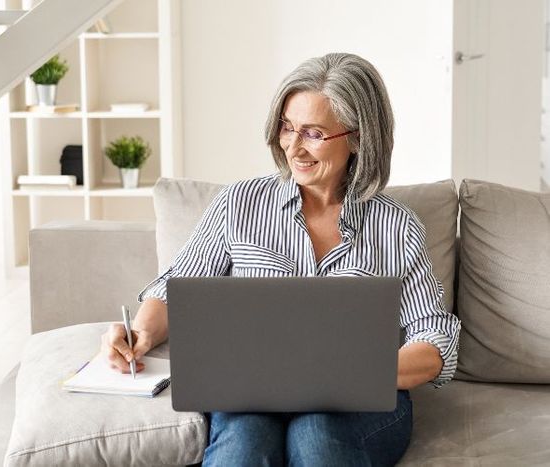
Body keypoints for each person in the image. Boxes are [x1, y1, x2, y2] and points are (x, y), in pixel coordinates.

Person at [100, 53, 461, 466]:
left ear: (359, 137)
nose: (293, 146)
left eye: (313, 133)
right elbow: (177, 286)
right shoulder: (240, 203)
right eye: (287, 127)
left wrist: (354, 375)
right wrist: (140, 333)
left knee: (317, 435)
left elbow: (434, 336)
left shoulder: (396, 226)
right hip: (250, 392)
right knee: (244, 444)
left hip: (358, 405)